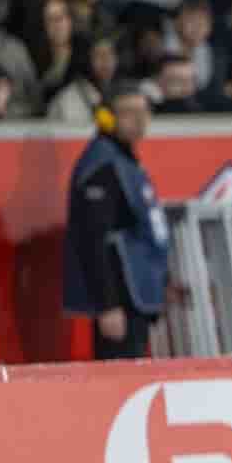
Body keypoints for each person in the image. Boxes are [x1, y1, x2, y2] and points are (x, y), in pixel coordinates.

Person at [63, 83, 167, 361]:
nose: (140, 120)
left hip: (135, 295)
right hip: (121, 298)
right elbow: (92, 240)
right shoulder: (102, 165)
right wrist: (107, 305)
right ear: (106, 118)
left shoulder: (122, 159)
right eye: (129, 112)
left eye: (144, 112)